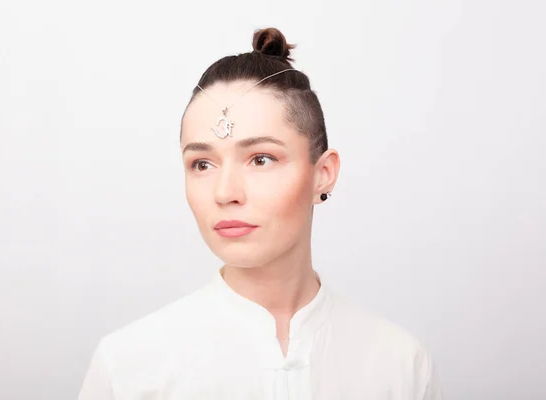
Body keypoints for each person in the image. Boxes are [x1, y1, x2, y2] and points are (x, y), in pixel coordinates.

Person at [78, 27, 443, 399]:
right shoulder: (129, 369)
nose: (225, 193)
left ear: (323, 174)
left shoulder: (399, 365)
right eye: (202, 164)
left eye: (261, 159)